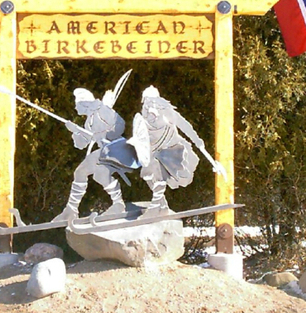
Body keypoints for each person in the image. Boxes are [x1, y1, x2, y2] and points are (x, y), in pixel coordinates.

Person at [52, 88, 138, 222]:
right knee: (92, 174)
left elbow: (120, 125)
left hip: (117, 149)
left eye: (76, 104)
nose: (75, 107)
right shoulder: (88, 122)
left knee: (88, 172)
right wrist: (75, 131)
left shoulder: (102, 110)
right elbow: (82, 144)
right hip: (106, 152)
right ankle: (71, 210)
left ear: (84, 104)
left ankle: (117, 204)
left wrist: (103, 135)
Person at [138, 86, 204, 217]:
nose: (148, 104)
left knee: (157, 173)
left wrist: (197, 141)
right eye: (146, 101)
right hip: (155, 152)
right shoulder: (144, 118)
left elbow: (184, 125)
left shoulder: (167, 113)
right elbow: (141, 136)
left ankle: (156, 207)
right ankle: (162, 206)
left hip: (172, 151)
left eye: (150, 101)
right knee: (148, 175)